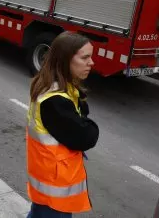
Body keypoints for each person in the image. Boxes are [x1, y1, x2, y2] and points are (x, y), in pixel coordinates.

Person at [26, 31, 99, 218]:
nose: (92, 63)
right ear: (66, 60)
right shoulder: (55, 102)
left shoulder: (51, 86)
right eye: (85, 57)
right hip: (55, 191)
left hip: (48, 182)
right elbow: (87, 136)